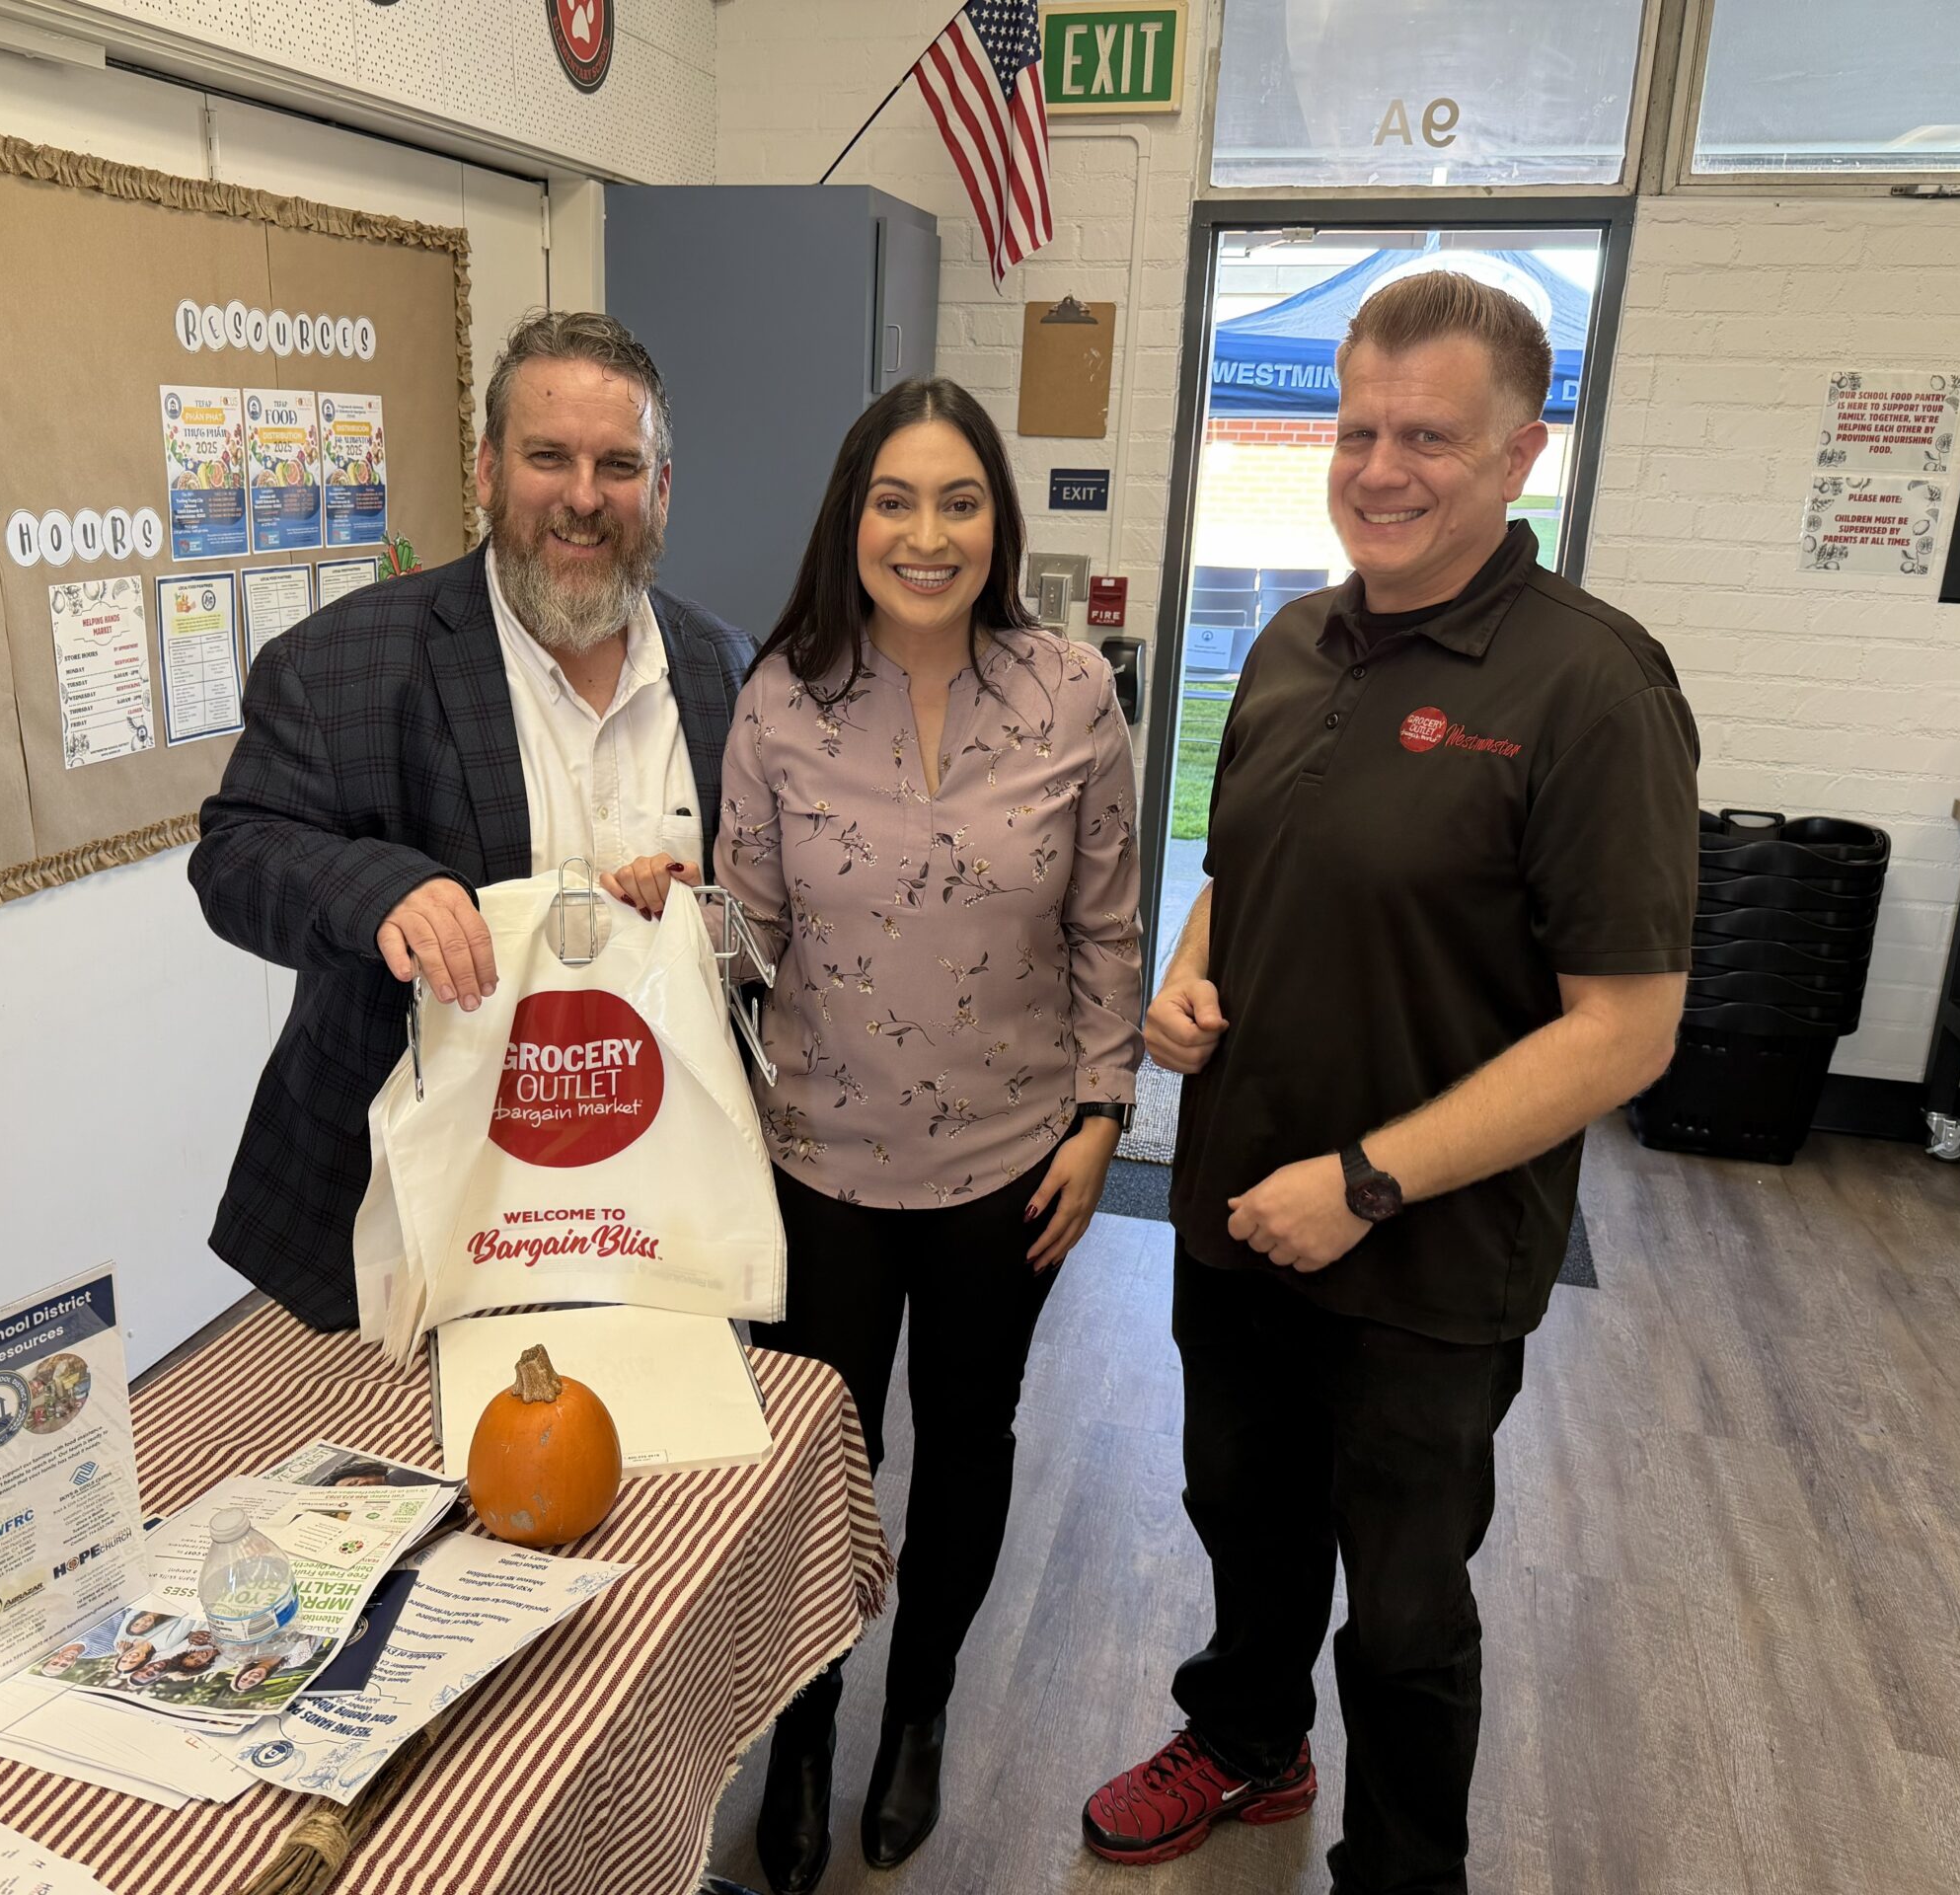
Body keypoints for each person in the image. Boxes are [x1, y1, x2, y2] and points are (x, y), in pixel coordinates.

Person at [1079, 273, 1696, 1890]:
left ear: (1519, 454)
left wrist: (1363, 1184)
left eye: (1430, 433)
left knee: (1410, 1606)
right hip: (1240, 1204)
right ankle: (1247, 1740)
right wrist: (1191, 976)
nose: (1382, 465)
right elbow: (1247, 864)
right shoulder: (1293, 637)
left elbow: (1626, 1029)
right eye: (1359, 428)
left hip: (1423, 1254)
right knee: (1247, 1517)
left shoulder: (1592, 688)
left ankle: (1404, 1868)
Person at [713, 377, 1142, 1893]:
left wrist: (1103, 1116)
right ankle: (809, 1719)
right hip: (815, 1157)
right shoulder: (780, 695)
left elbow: (1108, 926)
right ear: (852, 515)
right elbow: (748, 938)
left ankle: (922, 1711)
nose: (927, 530)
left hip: (1007, 1161)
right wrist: (665, 930)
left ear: (997, 523)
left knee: (968, 1442)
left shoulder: (1071, 692)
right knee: (817, 1460)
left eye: (959, 500)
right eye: (896, 498)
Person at [192, 310, 751, 1329]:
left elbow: (777, 902)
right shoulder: (342, 665)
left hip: (659, 1212)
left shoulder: (727, 672)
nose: (584, 499)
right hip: (419, 1220)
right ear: (489, 470)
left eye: (618, 465)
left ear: (660, 489)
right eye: (549, 457)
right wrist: (381, 890)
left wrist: (712, 921)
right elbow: (235, 858)